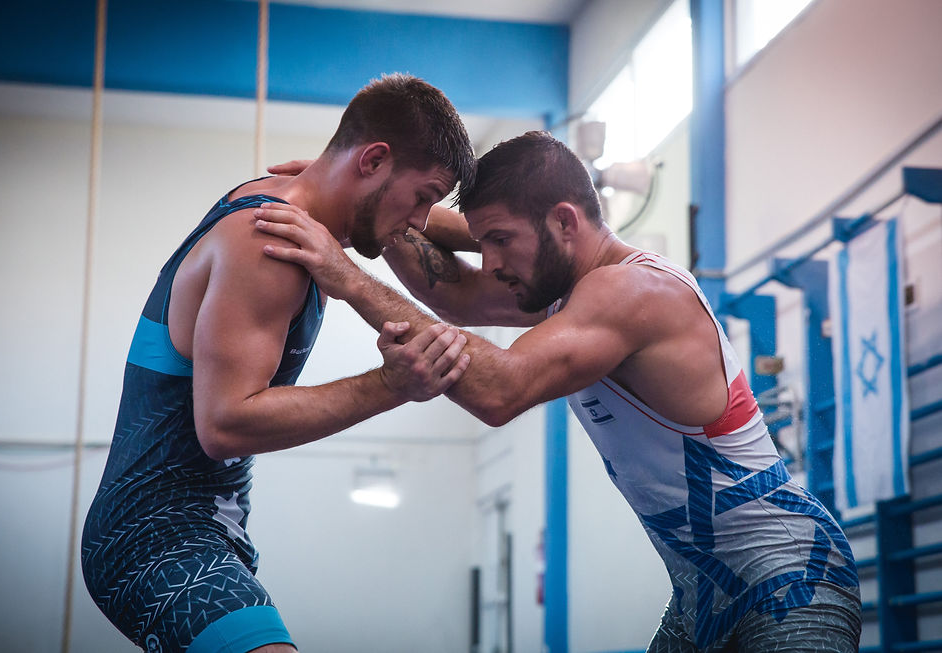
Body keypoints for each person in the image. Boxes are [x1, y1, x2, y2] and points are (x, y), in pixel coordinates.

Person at [253, 130, 862, 652]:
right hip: (703, 594)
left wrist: (344, 272)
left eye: (499, 240)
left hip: (790, 576)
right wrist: (375, 206)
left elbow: (500, 392)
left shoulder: (630, 294)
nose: (489, 262)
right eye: (482, 240)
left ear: (565, 223)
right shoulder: (572, 294)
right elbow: (453, 296)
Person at [80, 74, 476, 653]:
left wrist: (421, 201)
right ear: (372, 159)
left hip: (209, 529)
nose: (419, 223)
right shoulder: (267, 244)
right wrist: (393, 384)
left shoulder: (290, 202)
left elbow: (495, 254)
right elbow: (224, 425)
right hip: (154, 533)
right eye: (422, 197)